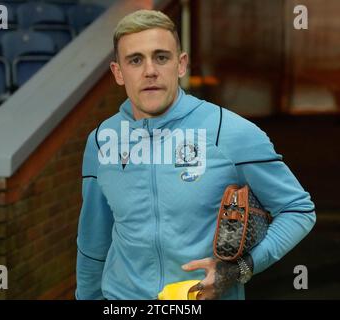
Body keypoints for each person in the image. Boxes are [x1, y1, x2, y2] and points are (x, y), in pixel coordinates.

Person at [76, 9, 316, 300]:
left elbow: (297, 209)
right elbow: (93, 242)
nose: (150, 70)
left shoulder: (230, 132)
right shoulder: (102, 141)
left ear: (181, 64)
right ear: (118, 72)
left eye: (161, 57)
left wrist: (240, 269)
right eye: (135, 60)